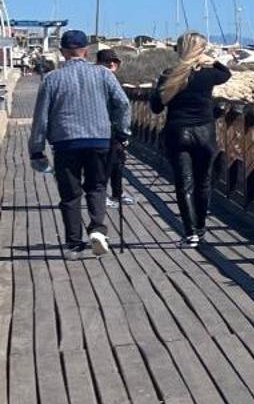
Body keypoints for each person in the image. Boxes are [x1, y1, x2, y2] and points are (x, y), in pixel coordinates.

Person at [29, 28, 132, 256]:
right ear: (86, 51)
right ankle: (97, 228)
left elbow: (41, 117)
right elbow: (123, 104)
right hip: (99, 139)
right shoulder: (104, 74)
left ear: (63, 51)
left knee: (70, 194)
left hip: (66, 143)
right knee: (96, 186)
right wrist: (121, 133)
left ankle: (74, 243)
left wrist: (37, 150)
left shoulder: (52, 79)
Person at [149, 30, 232, 247]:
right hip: (204, 133)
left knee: (184, 183)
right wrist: (211, 60)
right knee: (203, 182)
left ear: (180, 50)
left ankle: (190, 233)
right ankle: (202, 227)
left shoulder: (169, 75)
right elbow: (226, 73)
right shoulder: (209, 74)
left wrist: (154, 90)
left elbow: (156, 108)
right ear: (201, 51)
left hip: (177, 133)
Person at [96, 48, 127, 205]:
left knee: (115, 160)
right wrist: (124, 130)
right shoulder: (108, 77)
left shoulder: (93, 76)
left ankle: (116, 193)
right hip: (109, 127)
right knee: (109, 162)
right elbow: (123, 103)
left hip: (97, 126)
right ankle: (104, 195)